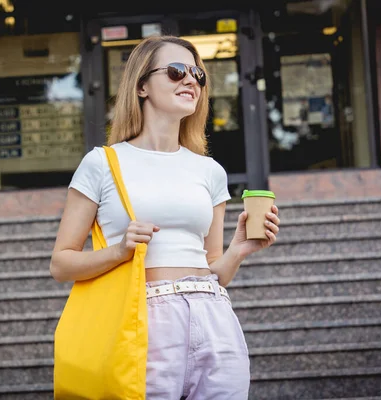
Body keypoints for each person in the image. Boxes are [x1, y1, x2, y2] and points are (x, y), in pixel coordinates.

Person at [50, 35, 280, 400]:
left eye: (198, 75)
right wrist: (119, 251)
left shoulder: (210, 172)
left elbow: (214, 269)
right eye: (176, 71)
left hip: (213, 316)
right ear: (141, 85)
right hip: (143, 319)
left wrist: (238, 250)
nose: (190, 80)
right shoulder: (103, 163)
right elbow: (61, 264)